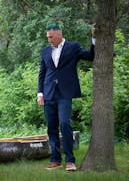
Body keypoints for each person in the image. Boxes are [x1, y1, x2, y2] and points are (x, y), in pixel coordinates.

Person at [37, 24, 96, 171]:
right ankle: (56, 159)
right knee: (51, 127)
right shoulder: (45, 51)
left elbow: (90, 56)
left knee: (64, 123)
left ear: (59, 34)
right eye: (48, 37)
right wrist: (40, 93)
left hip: (65, 93)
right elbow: (42, 73)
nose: (49, 39)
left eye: (51, 36)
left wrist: (94, 38)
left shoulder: (73, 47)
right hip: (49, 92)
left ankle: (70, 160)